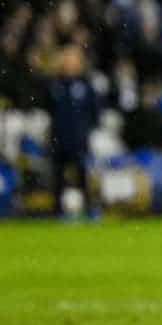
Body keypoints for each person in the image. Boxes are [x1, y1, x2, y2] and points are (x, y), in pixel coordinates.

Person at [46, 46, 100, 218]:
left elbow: (94, 111)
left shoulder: (85, 84)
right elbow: (46, 106)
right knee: (58, 177)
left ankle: (89, 209)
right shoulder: (55, 84)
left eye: (74, 59)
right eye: (68, 59)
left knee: (83, 175)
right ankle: (57, 211)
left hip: (79, 139)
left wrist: (85, 130)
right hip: (59, 137)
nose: (70, 63)